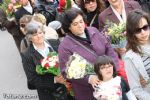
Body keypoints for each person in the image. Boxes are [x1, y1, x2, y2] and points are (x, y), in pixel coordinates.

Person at [58, 8, 119, 100]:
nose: (80, 25)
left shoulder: (93, 30)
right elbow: (65, 71)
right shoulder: (64, 46)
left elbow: (108, 48)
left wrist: (113, 68)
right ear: (68, 27)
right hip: (88, 92)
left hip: (110, 81)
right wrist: (89, 78)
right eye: (75, 24)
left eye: (81, 21)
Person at [21, 21, 67, 100]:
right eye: (35, 35)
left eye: (40, 33)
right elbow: (32, 79)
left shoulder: (55, 42)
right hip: (48, 93)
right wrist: (55, 80)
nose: (39, 36)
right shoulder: (27, 55)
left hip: (66, 86)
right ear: (30, 38)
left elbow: (65, 60)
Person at [124, 9, 150, 100]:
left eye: (145, 27)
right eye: (138, 30)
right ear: (132, 33)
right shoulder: (130, 57)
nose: (143, 32)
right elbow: (136, 89)